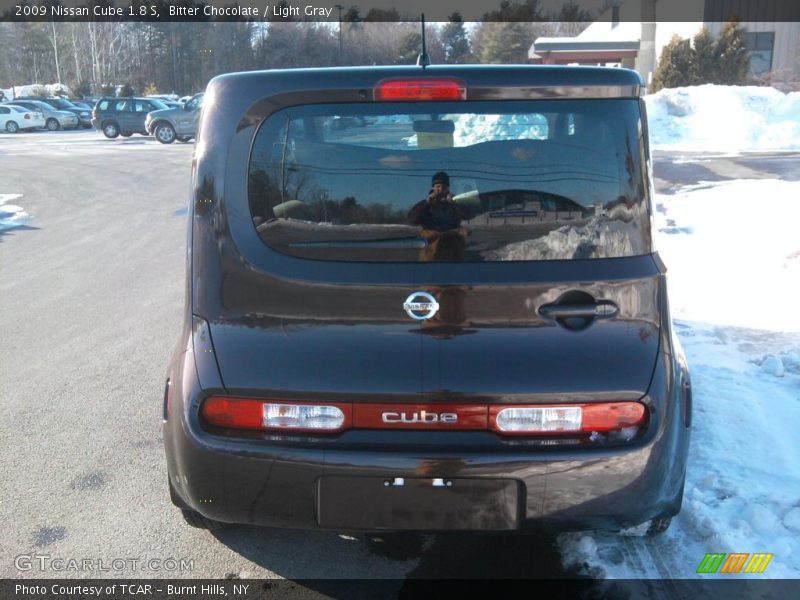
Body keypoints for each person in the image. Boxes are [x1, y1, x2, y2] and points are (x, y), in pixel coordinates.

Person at [407, 172, 470, 261]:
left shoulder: (454, 203)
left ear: (448, 188)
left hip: (453, 249)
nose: (441, 189)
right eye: (438, 186)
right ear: (433, 188)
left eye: (444, 187)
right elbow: (411, 220)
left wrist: (456, 203)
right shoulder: (425, 204)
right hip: (431, 247)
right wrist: (426, 203)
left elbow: (468, 215)